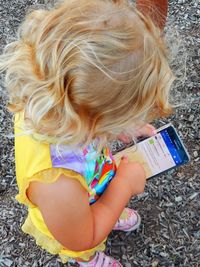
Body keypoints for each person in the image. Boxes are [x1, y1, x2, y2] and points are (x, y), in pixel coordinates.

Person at [0, 0, 174, 266]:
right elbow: (83, 235)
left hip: (90, 182)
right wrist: (123, 186)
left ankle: (108, 209)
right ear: (95, 119)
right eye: (125, 117)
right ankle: (90, 260)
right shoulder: (57, 184)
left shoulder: (51, 99)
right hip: (72, 223)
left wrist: (117, 127)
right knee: (86, 242)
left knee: (105, 202)